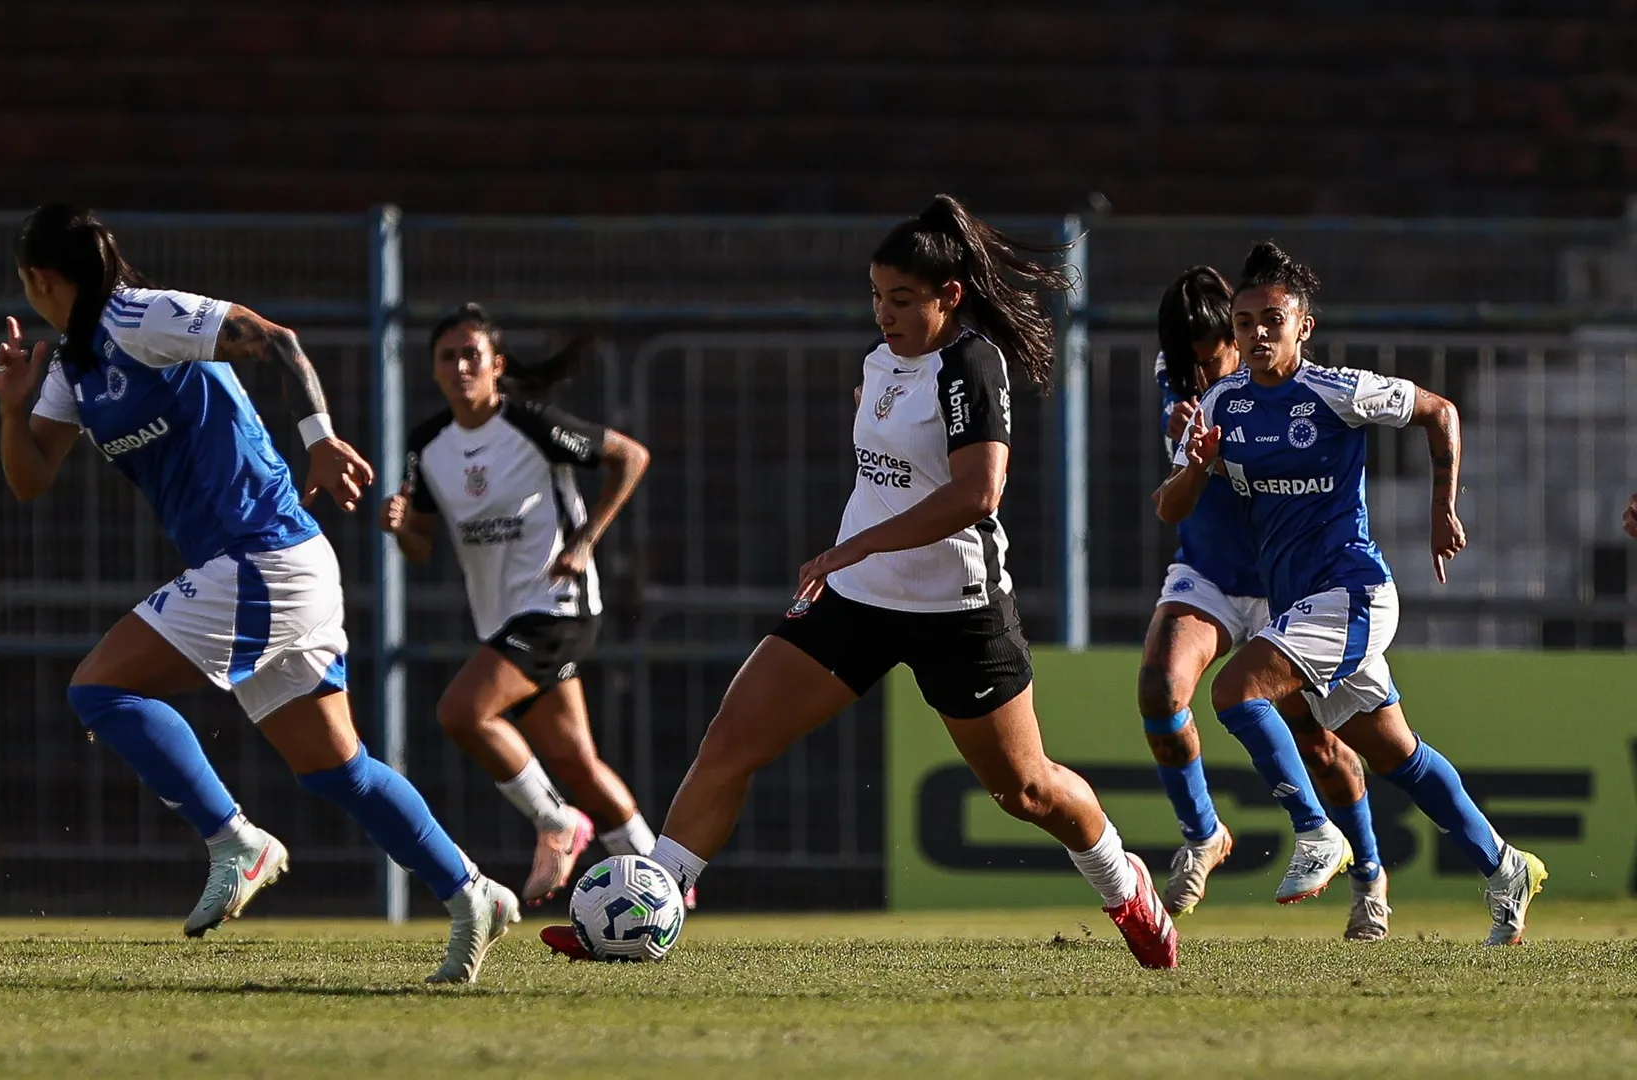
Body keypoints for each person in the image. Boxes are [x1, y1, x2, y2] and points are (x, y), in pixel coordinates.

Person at [541, 195, 1179, 968]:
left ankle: (1124, 884)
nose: (886, 314)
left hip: (958, 611)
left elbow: (979, 493)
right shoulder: (880, 360)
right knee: (733, 738)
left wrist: (854, 545)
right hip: (856, 601)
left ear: (949, 296)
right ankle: (652, 908)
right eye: (877, 297)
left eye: (903, 300)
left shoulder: (971, 365)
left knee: (1027, 792)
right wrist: (857, 551)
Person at [0, 204, 518, 983]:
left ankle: (235, 840)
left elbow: (276, 340)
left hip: (262, 557)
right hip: (270, 567)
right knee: (339, 770)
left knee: (98, 687)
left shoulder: (143, 316)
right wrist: (10, 409)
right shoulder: (72, 367)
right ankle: (474, 893)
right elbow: (30, 480)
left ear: (40, 279)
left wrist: (321, 438)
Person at [1156, 241, 1546, 946]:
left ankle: (1316, 833)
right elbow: (1170, 510)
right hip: (1298, 607)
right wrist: (1197, 467)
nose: (1257, 334)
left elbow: (1441, 411)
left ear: (1304, 326)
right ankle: (1504, 865)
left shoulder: (1338, 390)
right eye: (1245, 322)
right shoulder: (1221, 403)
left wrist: (1442, 508)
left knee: (1235, 693)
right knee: (1401, 757)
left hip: (1352, 593)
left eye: (1273, 319)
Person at [380, 304, 659, 906]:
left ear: (496, 366)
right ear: (431, 370)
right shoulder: (427, 445)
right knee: (578, 762)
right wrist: (401, 526)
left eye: (471, 356)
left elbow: (631, 457)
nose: (459, 366)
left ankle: (556, 822)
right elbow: (420, 547)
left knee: (461, 711)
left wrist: (585, 543)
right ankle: (663, 880)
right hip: (503, 621)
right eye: (447, 357)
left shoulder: (530, 424)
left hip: (558, 606)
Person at [1141, 267, 1389, 939]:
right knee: (1162, 687)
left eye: (1216, 347)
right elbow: (1178, 482)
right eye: (1189, 356)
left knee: (1318, 744)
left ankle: (1368, 874)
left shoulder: (1273, 385)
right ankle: (1203, 834)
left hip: (1288, 587)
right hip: (1209, 573)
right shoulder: (1185, 380)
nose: (1205, 365)